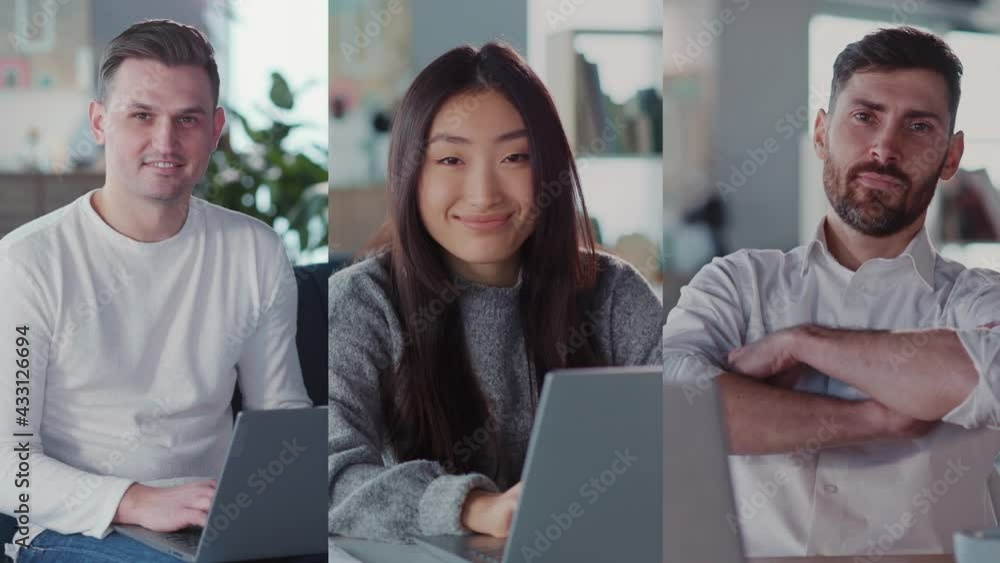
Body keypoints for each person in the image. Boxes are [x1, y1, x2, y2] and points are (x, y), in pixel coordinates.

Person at [663, 26, 1000, 558]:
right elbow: (676, 408)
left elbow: (993, 375)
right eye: (864, 116)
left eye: (918, 126)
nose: (885, 148)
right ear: (820, 133)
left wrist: (804, 342)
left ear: (951, 157)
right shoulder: (736, 284)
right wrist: (875, 419)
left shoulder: (979, 298)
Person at [0, 20, 317, 562]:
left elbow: (281, 414)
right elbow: (9, 462)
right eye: (141, 116)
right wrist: (136, 500)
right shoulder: (28, 263)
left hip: (214, 519)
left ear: (215, 129)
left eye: (187, 120)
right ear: (99, 123)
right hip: (72, 529)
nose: (165, 143)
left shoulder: (254, 250)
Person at [328, 43, 662, 541]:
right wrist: (473, 507)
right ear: (410, 173)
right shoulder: (363, 302)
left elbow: (685, 439)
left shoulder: (613, 295)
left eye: (514, 156)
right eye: (451, 159)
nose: (483, 193)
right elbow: (329, 478)